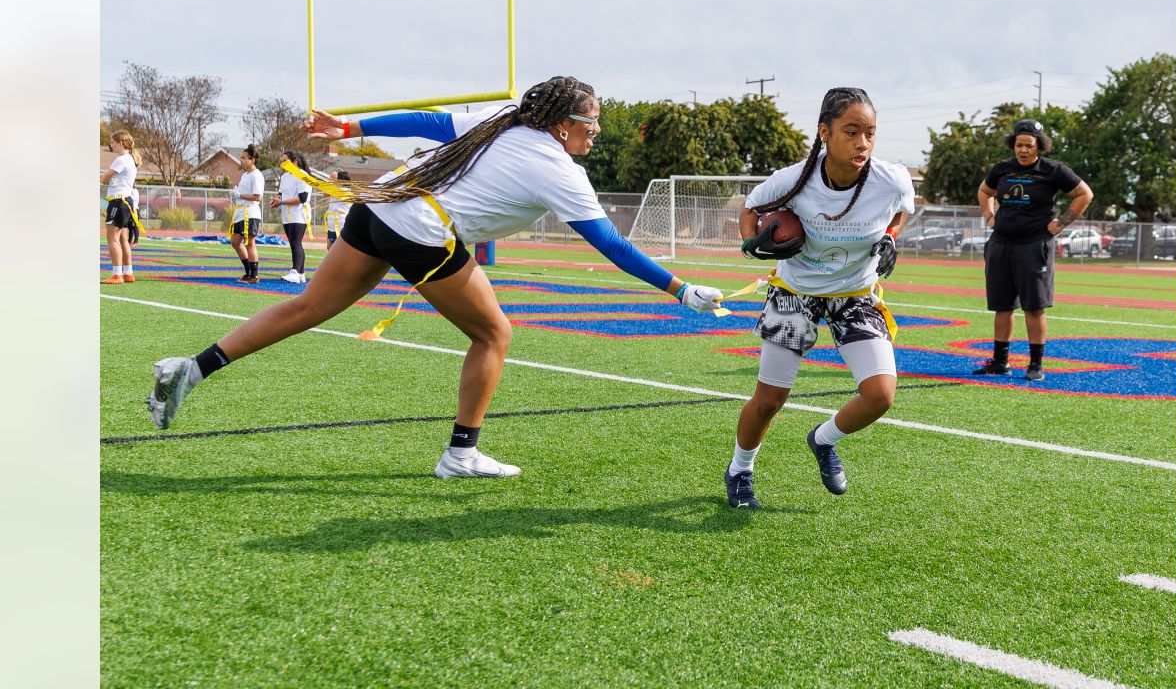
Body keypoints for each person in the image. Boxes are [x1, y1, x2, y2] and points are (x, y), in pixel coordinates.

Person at [146, 76, 724, 480]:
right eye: (591, 123)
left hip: (383, 203)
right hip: (421, 228)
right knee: (495, 336)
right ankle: (461, 454)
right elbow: (612, 245)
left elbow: (430, 121)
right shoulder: (555, 165)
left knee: (306, 308)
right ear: (562, 123)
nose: (596, 132)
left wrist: (350, 126)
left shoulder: (506, 115)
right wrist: (680, 289)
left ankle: (191, 368)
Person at [727, 87, 914, 510]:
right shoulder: (793, 180)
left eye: (870, 133)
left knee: (880, 395)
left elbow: (902, 210)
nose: (863, 143)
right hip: (796, 293)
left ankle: (823, 439)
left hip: (855, 294)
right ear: (824, 132)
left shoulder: (892, 179)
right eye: (851, 131)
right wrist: (751, 244)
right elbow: (749, 210)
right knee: (770, 399)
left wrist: (890, 237)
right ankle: (740, 469)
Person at [973, 119, 1093, 381]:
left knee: (1034, 307)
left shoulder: (1053, 170)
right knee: (1002, 307)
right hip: (1001, 244)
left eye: (1029, 145)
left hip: (1034, 245)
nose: (1023, 150)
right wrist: (989, 215)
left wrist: (1061, 223)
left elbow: (1084, 194)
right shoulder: (1002, 169)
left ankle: (1036, 364)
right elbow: (985, 190)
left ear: (1039, 146)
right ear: (1013, 145)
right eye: (1019, 144)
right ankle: (1000, 362)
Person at [101, 130, 141, 284]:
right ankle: (128, 272)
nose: (111, 145)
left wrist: (104, 178)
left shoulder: (121, 159)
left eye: (113, 142)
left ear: (121, 143)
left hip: (118, 201)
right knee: (123, 239)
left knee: (112, 238)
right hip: (126, 202)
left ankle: (117, 274)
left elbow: (105, 178)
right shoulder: (130, 159)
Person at [271, 150, 313, 283]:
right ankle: (301, 273)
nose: (282, 163)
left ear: (294, 162)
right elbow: (281, 194)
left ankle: (295, 271)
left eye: (285, 161)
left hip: (299, 213)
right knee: (294, 243)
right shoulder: (284, 177)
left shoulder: (302, 175)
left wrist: (282, 202)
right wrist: (277, 200)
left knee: (296, 242)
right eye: (281, 161)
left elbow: (302, 198)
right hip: (287, 214)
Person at [228, 145, 265, 284]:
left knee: (250, 243)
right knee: (235, 242)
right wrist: (236, 195)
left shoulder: (257, 175)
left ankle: (253, 276)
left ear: (252, 159)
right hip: (240, 212)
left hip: (250, 212)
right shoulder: (245, 175)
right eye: (241, 158)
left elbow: (257, 197)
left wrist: (241, 195)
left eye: (244, 158)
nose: (241, 160)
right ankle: (248, 270)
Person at [323, 170, 352, 250]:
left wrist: (331, 181)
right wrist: (331, 179)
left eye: (336, 179)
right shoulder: (335, 189)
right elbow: (325, 194)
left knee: (339, 247)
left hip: (340, 222)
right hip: (332, 221)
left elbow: (327, 191)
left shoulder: (345, 191)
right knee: (330, 246)